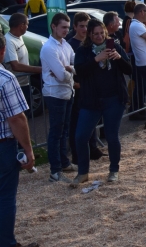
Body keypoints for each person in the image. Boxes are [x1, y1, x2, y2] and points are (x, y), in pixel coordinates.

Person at [71, 20, 132, 185]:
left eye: (101, 33)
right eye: (95, 34)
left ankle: (114, 170)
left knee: (112, 136)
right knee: (80, 136)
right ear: (90, 35)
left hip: (113, 99)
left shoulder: (115, 47)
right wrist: (96, 59)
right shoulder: (83, 51)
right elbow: (80, 73)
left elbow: (129, 70)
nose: (99, 37)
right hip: (90, 100)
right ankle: (83, 172)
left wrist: (119, 58)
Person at [0, 32, 37, 247]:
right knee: (5, 196)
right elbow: (17, 118)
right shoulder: (5, 79)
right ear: (3, 51)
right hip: (3, 145)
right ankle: (6, 242)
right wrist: (28, 150)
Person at [40, 13, 77, 183]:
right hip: (54, 94)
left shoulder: (65, 45)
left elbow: (73, 66)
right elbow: (62, 75)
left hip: (66, 92)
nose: (66, 30)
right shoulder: (49, 48)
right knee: (56, 131)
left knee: (64, 130)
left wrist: (68, 70)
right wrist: (69, 71)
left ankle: (63, 162)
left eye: (67, 28)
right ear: (53, 27)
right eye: (63, 27)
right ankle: (55, 170)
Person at [67, 12, 104, 165]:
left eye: (86, 26)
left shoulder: (90, 45)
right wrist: (76, 83)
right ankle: (77, 155)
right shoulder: (71, 45)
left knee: (92, 123)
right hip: (78, 90)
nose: (83, 29)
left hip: (92, 90)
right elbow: (72, 68)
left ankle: (93, 149)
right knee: (77, 124)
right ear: (75, 27)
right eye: (81, 26)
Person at [3, 13, 42, 110]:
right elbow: (15, 66)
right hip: (16, 86)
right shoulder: (9, 41)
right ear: (21, 25)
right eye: (27, 24)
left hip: (25, 83)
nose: (27, 27)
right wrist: (39, 69)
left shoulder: (18, 37)